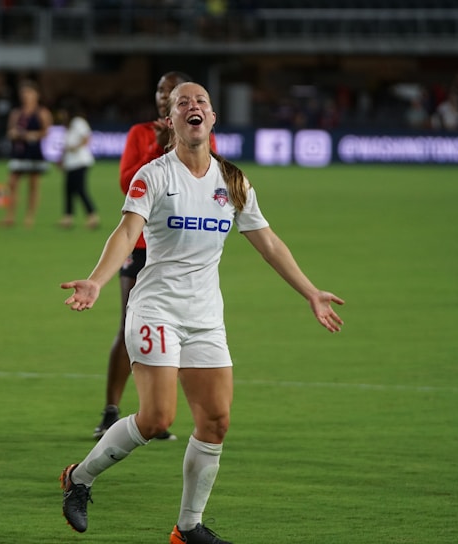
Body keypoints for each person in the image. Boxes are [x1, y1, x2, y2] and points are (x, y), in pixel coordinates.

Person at [59, 81, 345, 543]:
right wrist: (96, 279)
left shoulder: (232, 181)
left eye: (202, 103)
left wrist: (310, 291)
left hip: (206, 316)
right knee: (157, 420)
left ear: (212, 119)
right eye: (183, 103)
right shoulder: (153, 175)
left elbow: (268, 243)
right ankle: (79, 479)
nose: (194, 107)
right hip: (155, 309)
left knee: (216, 421)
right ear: (170, 121)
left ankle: (187, 528)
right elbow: (125, 231)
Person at [92, 71, 211, 441]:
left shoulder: (199, 130)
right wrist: (156, 147)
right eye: (160, 90)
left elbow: (207, 179)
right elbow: (128, 182)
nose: (162, 96)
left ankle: (154, 413)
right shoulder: (140, 133)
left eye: (169, 91)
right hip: (141, 246)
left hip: (181, 249)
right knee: (128, 325)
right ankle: (112, 410)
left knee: (177, 330)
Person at [0, 79, 52, 228]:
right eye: (24, 93)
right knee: (12, 182)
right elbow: (10, 131)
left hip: (34, 151)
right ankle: (10, 216)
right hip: (20, 151)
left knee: (33, 185)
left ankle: (29, 217)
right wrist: (15, 134)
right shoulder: (17, 113)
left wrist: (32, 135)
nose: (26, 96)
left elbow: (46, 131)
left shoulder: (42, 112)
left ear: (36, 95)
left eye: (29, 93)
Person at [56, 99, 98, 229]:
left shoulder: (78, 122)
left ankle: (92, 216)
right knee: (68, 190)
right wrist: (61, 159)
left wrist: (76, 147)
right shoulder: (68, 126)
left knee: (80, 189)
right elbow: (66, 145)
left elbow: (87, 138)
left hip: (80, 161)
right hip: (71, 163)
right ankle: (68, 217)